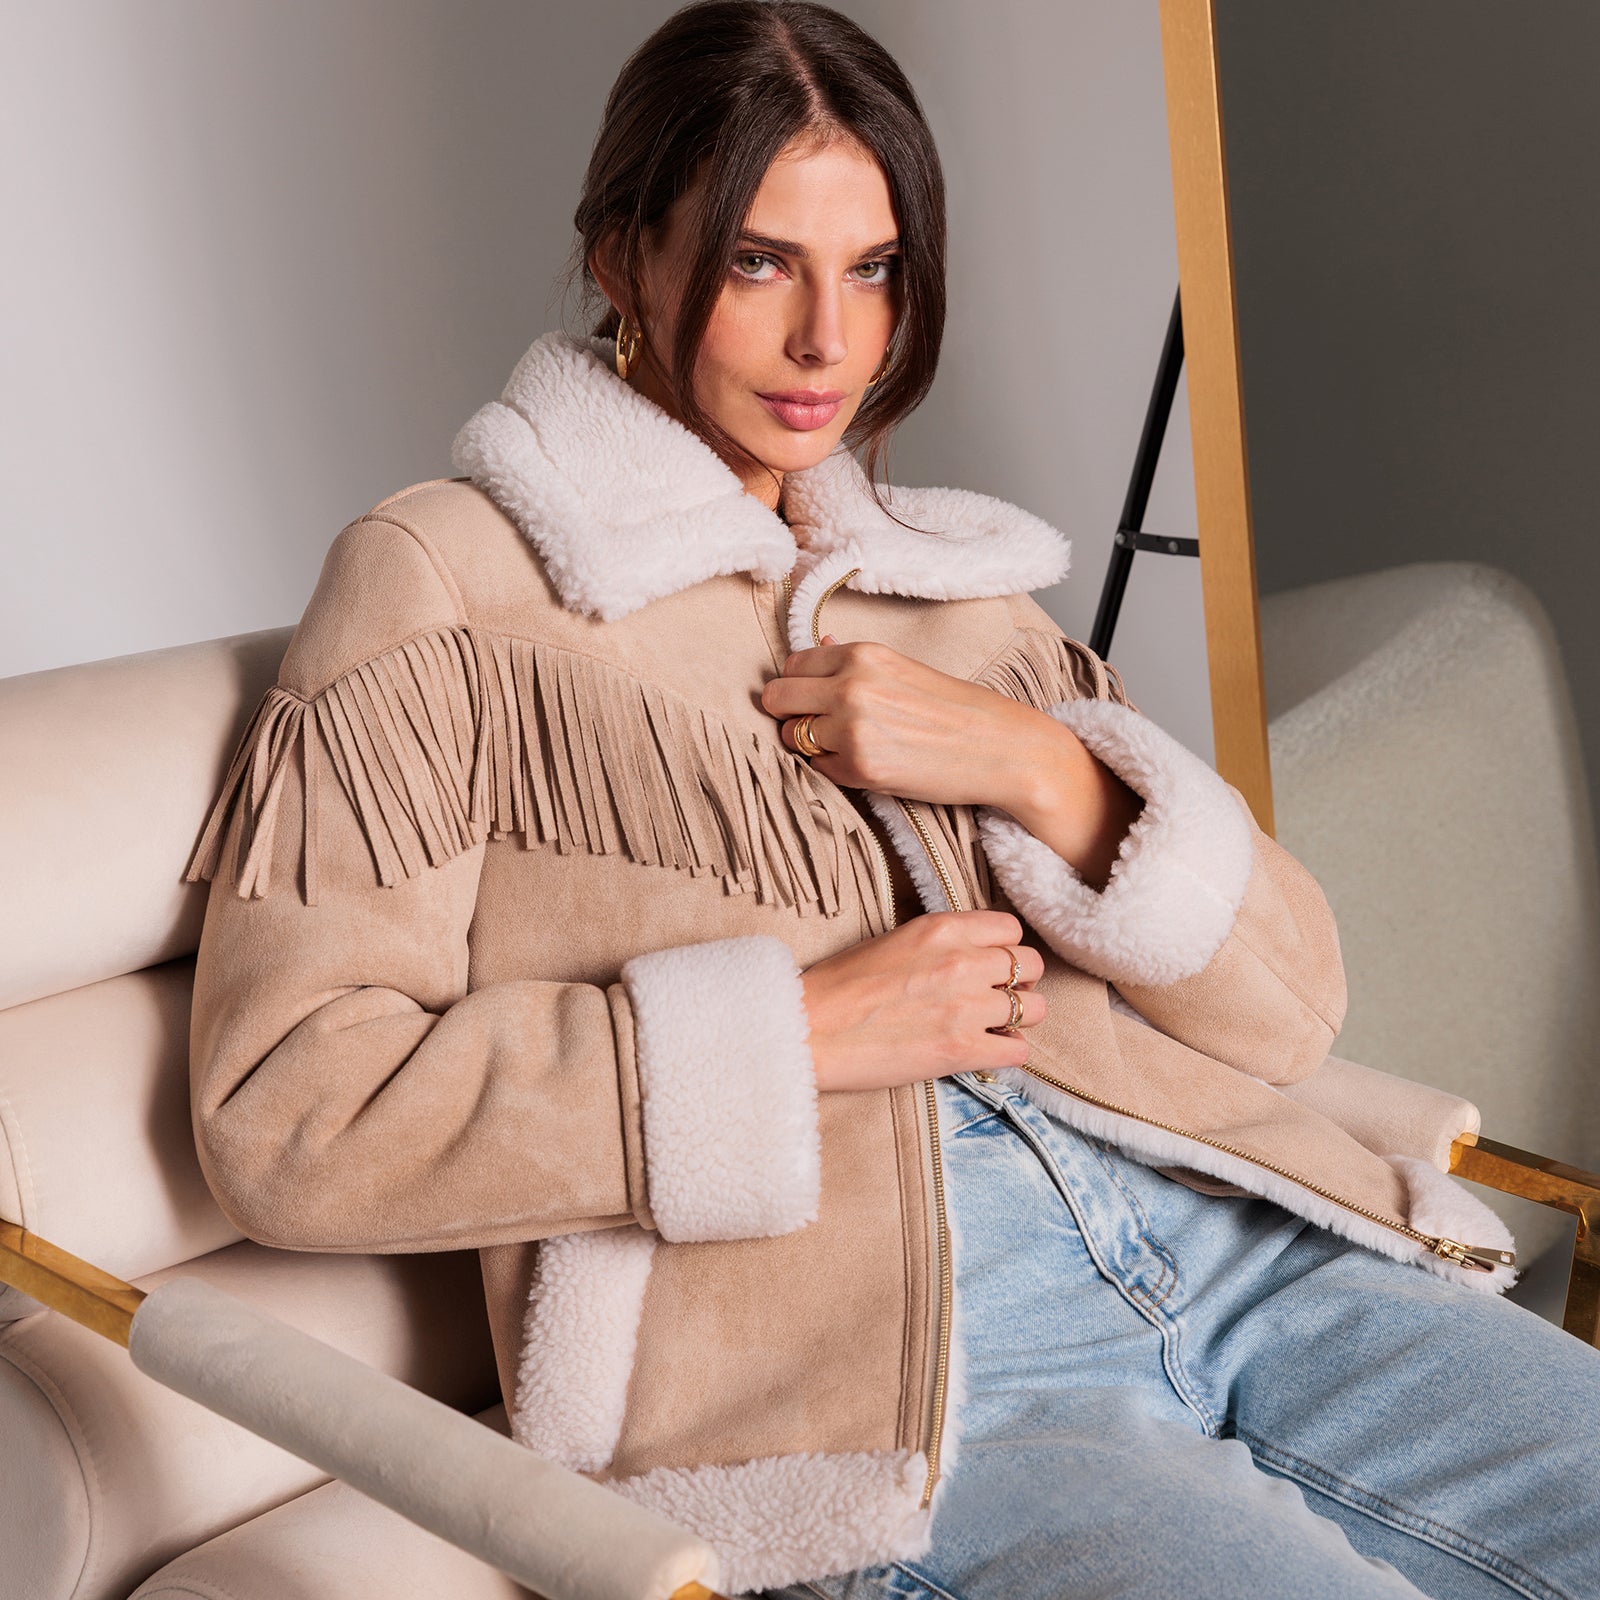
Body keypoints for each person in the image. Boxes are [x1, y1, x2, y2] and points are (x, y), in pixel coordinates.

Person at [182, 3, 1600, 1597]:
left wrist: (1040, 767)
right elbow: (290, 1113)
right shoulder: (449, 583)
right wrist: (793, 1034)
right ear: (618, 256)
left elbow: (1290, 1015)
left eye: (873, 270)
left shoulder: (957, 592)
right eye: (759, 260)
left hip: (1248, 1255)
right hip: (904, 1399)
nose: (828, 344)